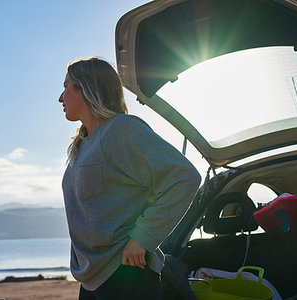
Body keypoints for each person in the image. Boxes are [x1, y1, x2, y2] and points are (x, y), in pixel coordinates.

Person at [58, 57, 201, 300]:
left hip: (126, 271)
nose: (60, 97)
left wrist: (141, 238)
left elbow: (184, 177)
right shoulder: (80, 145)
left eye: (66, 87)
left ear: (87, 88)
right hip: (92, 277)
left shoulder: (122, 129)